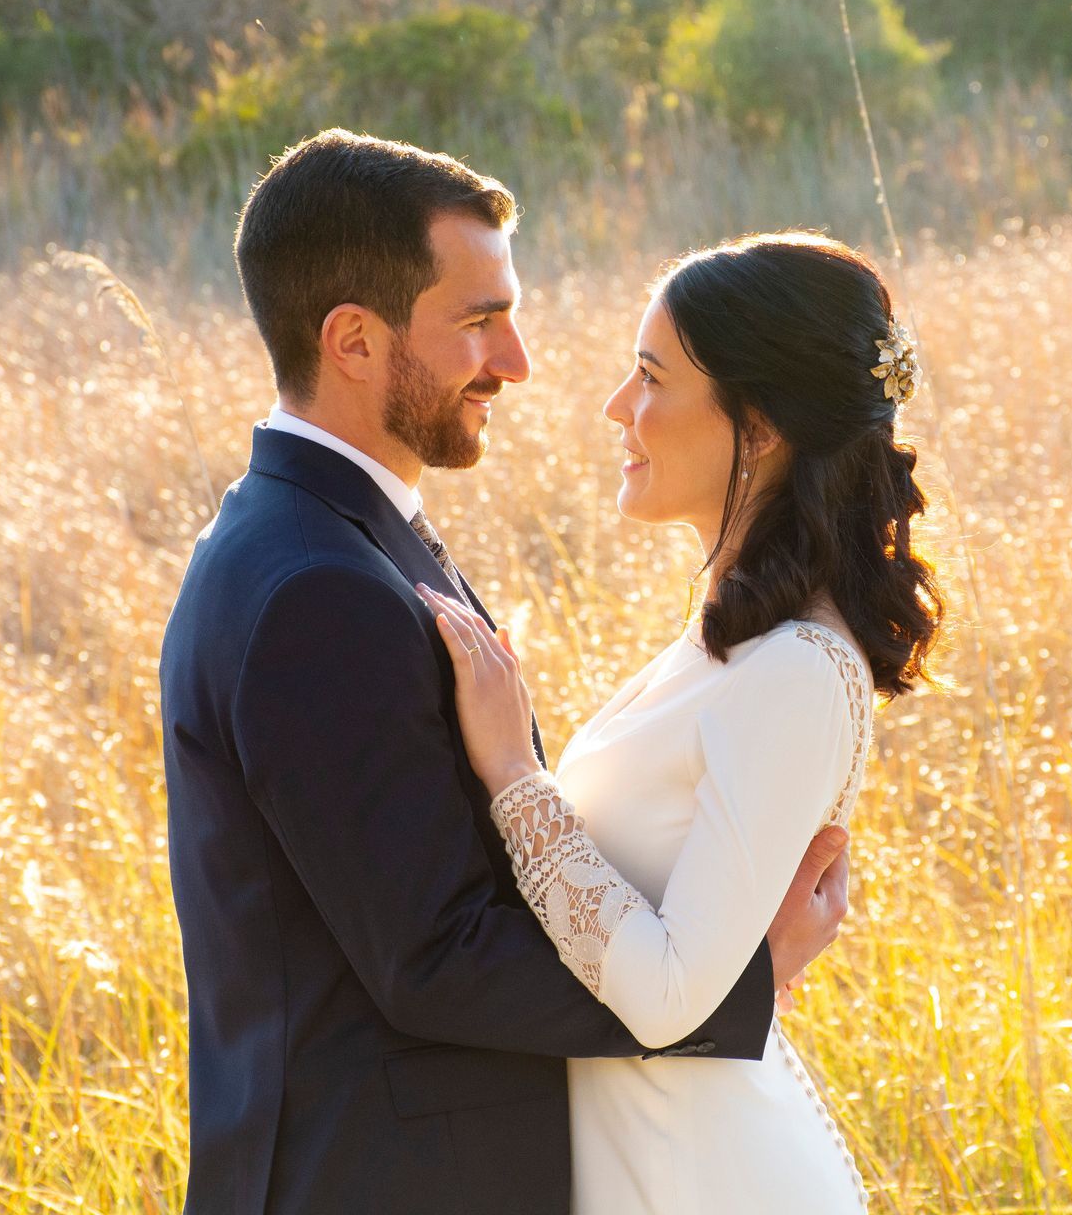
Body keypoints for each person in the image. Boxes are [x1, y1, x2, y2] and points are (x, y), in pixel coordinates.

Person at [158, 130, 852, 1215]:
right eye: (480, 321)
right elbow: (434, 954)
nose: (518, 361)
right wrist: (729, 986)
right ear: (352, 339)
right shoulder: (315, 587)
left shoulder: (335, 535)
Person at [420, 230, 944, 1213]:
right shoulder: (731, 641)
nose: (618, 407)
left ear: (761, 423)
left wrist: (512, 772)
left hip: (708, 1179)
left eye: (652, 377)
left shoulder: (797, 669)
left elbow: (666, 993)